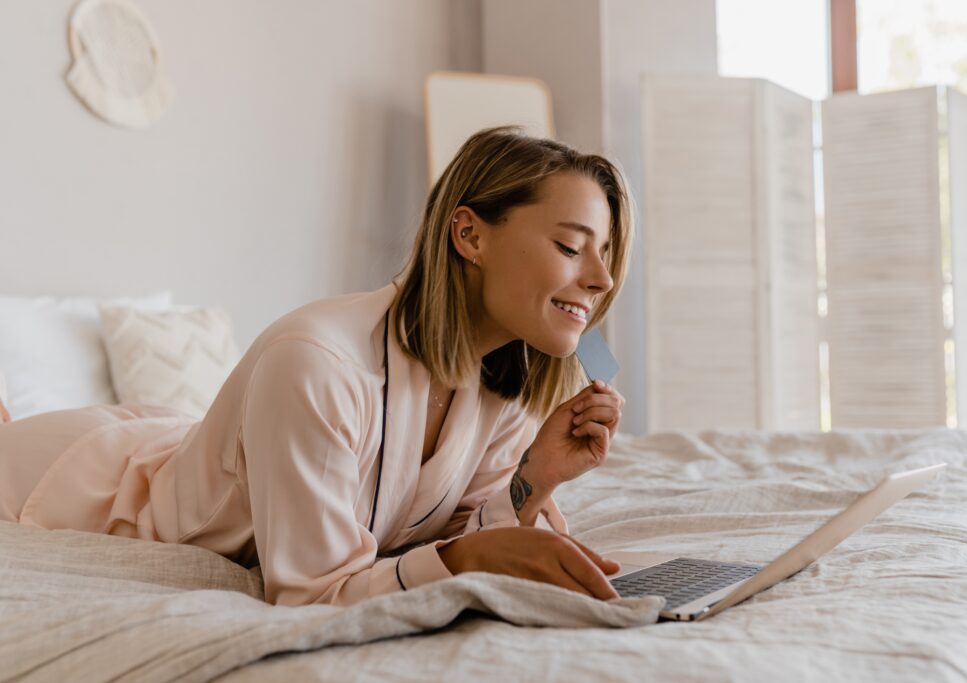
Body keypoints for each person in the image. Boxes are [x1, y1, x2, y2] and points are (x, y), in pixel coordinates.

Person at [0, 126, 634, 607]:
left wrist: (534, 477)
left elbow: (457, 533)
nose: (601, 278)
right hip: (76, 484)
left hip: (179, 442)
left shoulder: (499, 385)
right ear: (468, 235)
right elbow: (314, 595)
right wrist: (466, 561)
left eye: (603, 255)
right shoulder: (316, 365)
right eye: (571, 247)